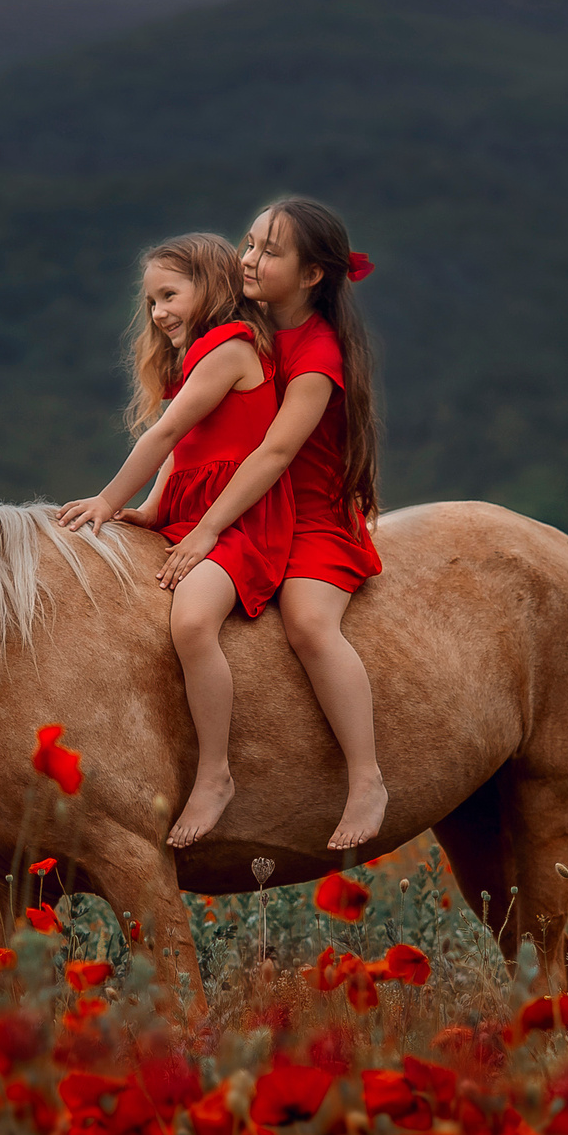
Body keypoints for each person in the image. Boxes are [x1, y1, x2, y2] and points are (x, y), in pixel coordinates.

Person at [56, 233, 294, 848]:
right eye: (151, 302)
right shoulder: (198, 355)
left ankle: (216, 773)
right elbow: (187, 449)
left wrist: (107, 501)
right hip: (193, 512)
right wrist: (151, 509)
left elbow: (162, 436)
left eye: (170, 295)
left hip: (240, 519)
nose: (159, 312)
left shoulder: (231, 347)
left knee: (191, 622)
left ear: (210, 286)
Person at [164, 197, 386, 850]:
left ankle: (367, 777)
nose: (250, 259)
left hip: (309, 517)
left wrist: (207, 529)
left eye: (270, 251)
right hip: (251, 507)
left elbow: (276, 452)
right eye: (250, 243)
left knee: (310, 624)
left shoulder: (318, 354)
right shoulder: (244, 326)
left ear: (312, 274)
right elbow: (192, 424)